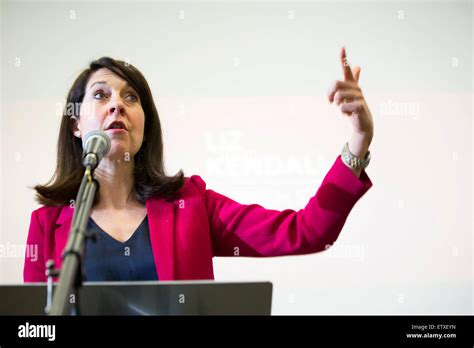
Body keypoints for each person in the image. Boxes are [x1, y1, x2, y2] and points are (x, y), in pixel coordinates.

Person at [23, 47, 374, 282]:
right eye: (100, 95)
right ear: (75, 123)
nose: (117, 105)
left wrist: (358, 140)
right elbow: (37, 328)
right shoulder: (46, 224)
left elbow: (305, 232)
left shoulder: (191, 204)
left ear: (146, 123)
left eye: (131, 97)